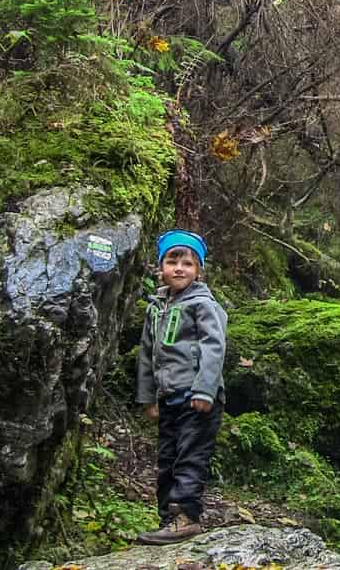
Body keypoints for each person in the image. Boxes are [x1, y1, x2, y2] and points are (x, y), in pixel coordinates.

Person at [134, 229, 228, 545]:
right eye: (172, 261)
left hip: (197, 396)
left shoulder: (203, 304)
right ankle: (168, 519)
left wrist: (205, 390)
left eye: (187, 263)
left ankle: (186, 517)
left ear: (198, 270)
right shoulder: (156, 308)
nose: (179, 269)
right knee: (168, 459)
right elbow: (146, 355)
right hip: (169, 396)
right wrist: (148, 397)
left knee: (190, 456)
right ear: (160, 267)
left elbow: (214, 346)